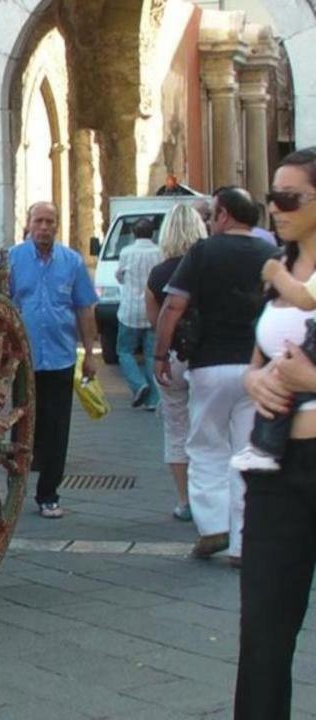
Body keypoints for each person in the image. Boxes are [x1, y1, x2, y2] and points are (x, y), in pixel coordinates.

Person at [235, 147, 316, 719]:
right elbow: (258, 356)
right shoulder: (281, 272)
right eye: (273, 198)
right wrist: (252, 381)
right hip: (277, 466)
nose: (276, 208)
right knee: (263, 630)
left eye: (290, 198)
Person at [153, 186, 275, 563]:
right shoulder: (270, 253)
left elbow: (174, 305)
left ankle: (213, 527)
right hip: (256, 366)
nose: (209, 221)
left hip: (209, 363)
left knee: (206, 445)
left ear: (223, 214)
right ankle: (244, 542)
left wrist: (161, 354)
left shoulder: (203, 252)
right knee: (246, 450)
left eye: (211, 215)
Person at [8, 201, 100, 519]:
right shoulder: (13, 259)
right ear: (29, 223)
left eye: (50, 221)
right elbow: (2, 306)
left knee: (57, 428)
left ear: (57, 225)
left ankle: (48, 494)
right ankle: (14, 488)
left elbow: (85, 309)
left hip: (60, 358)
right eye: (39, 221)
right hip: (23, 358)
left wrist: (89, 354)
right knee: (21, 426)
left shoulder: (72, 262)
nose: (44, 227)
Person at [144, 203, 207, 522]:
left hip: (171, 357)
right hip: (206, 356)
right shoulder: (208, 266)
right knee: (209, 427)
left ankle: (184, 501)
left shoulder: (159, 273)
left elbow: (155, 320)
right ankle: (210, 496)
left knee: (176, 427)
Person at [230, 243, 316, 472]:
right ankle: (262, 448)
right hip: (287, 462)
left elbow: (305, 298)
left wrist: (308, 379)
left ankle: (263, 448)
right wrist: (254, 380)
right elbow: (254, 367)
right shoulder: (284, 267)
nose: (277, 210)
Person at [115, 217, 162, 410]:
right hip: (153, 311)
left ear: (134, 233)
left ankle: (138, 383)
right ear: (153, 233)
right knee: (151, 355)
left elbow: (119, 276)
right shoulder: (160, 252)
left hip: (130, 310)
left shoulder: (127, 252)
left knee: (124, 351)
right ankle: (153, 400)